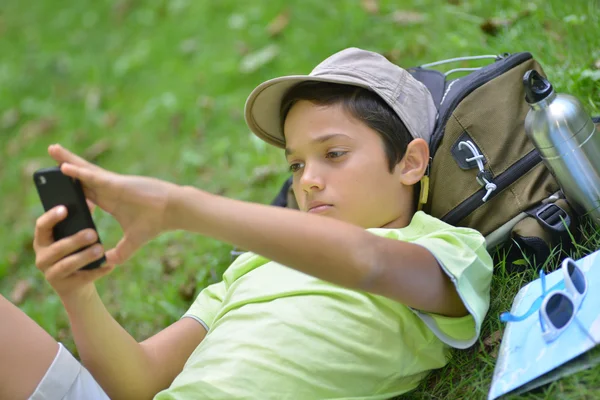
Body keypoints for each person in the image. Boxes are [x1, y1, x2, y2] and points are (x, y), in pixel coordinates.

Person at [0, 47, 493, 400]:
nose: (309, 182)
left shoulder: (443, 247)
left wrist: (181, 206)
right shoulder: (254, 266)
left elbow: (366, 262)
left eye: (334, 154)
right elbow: (140, 381)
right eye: (296, 165)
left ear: (410, 162)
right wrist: (78, 294)